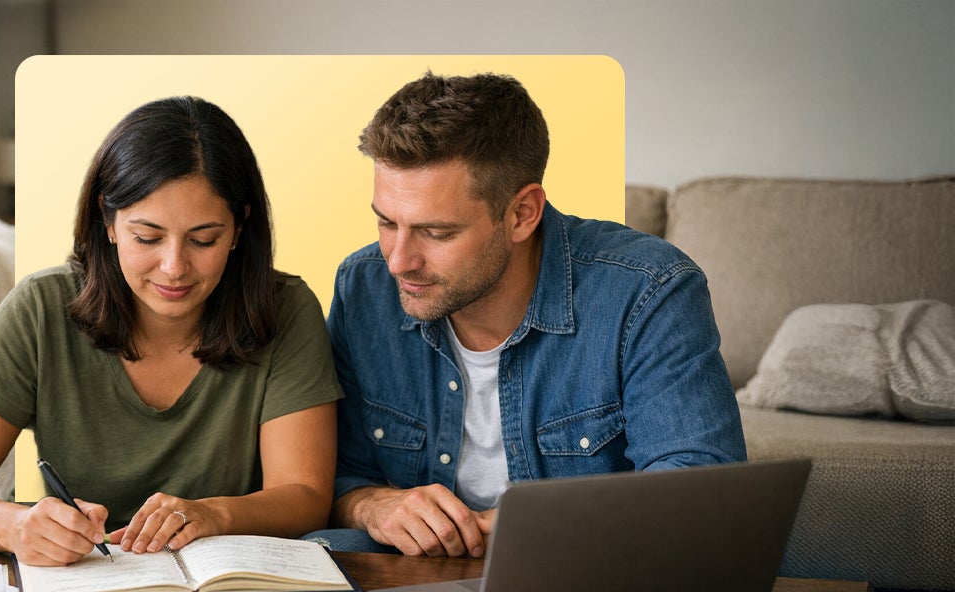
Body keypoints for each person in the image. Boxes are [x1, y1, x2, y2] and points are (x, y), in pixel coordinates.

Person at [0, 96, 342, 566]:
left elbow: (306, 495)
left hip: (225, 585)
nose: (174, 267)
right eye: (146, 237)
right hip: (81, 580)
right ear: (107, 222)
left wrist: (214, 514)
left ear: (239, 228)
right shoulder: (42, 307)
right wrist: (14, 527)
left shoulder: (285, 311)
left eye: (204, 239)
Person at [319, 72, 745, 557]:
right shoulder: (363, 285)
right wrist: (375, 505)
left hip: (583, 567)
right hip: (417, 570)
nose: (398, 261)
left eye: (436, 233)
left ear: (522, 213)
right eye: (386, 221)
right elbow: (336, 474)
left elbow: (698, 494)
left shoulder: (648, 290)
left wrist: (536, 527)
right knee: (326, 548)